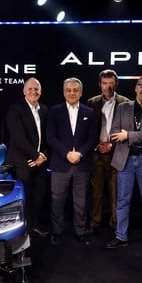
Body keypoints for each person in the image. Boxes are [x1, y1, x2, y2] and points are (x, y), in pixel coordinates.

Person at [106, 74, 142, 259]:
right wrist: (123, 135)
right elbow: (114, 132)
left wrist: (129, 135)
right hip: (125, 160)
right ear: (136, 87)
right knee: (122, 201)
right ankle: (121, 236)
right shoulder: (123, 107)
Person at [46, 77, 99, 246]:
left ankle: (81, 231)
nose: (72, 93)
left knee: (81, 201)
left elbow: (93, 138)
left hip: (82, 164)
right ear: (64, 92)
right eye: (68, 90)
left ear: (81, 92)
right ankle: (57, 231)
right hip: (60, 164)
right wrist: (67, 153)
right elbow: (51, 137)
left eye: (75, 90)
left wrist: (80, 153)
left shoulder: (89, 113)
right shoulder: (54, 112)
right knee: (57, 200)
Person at [4, 77, 49, 238]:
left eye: (36, 89)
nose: (33, 92)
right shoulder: (16, 109)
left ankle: (33, 226)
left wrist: (42, 155)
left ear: (41, 91)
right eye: (30, 89)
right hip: (22, 163)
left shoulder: (44, 109)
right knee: (24, 197)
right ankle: (20, 231)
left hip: (40, 163)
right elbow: (18, 138)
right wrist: (36, 156)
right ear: (24, 91)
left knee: (38, 197)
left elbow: (47, 137)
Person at [86, 69, 130, 234]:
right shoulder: (91, 102)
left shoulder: (126, 103)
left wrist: (111, 145)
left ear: (116, 84)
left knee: (116, 194)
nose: (108, 87)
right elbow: (87, 129)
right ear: (100, 84)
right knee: (96, 193)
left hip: (117, 153)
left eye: (111, 84)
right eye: (105, 83)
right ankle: (94, 223)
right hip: (97, 154)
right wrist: (96, 145)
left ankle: (116, 225)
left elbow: (128, 129)